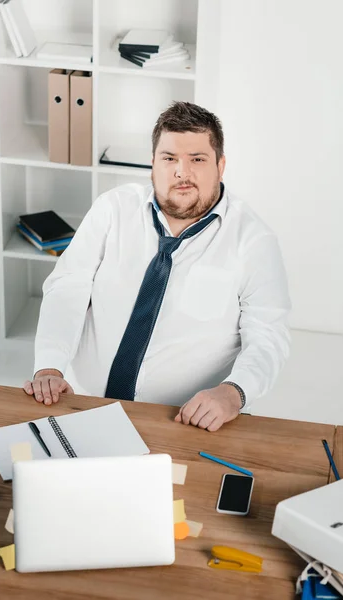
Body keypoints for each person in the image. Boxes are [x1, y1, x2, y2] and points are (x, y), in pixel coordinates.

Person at [23, 101, 291, 432]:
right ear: (152, 163)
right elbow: (67, 288)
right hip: (78, 401)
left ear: (221, 166)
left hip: (181, 420)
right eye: (169, 159)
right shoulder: (113, 208)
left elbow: (268, 335)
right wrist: (50, 366)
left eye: (197, 159)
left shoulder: (254, 241)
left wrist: (234, 393)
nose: (182, 171)